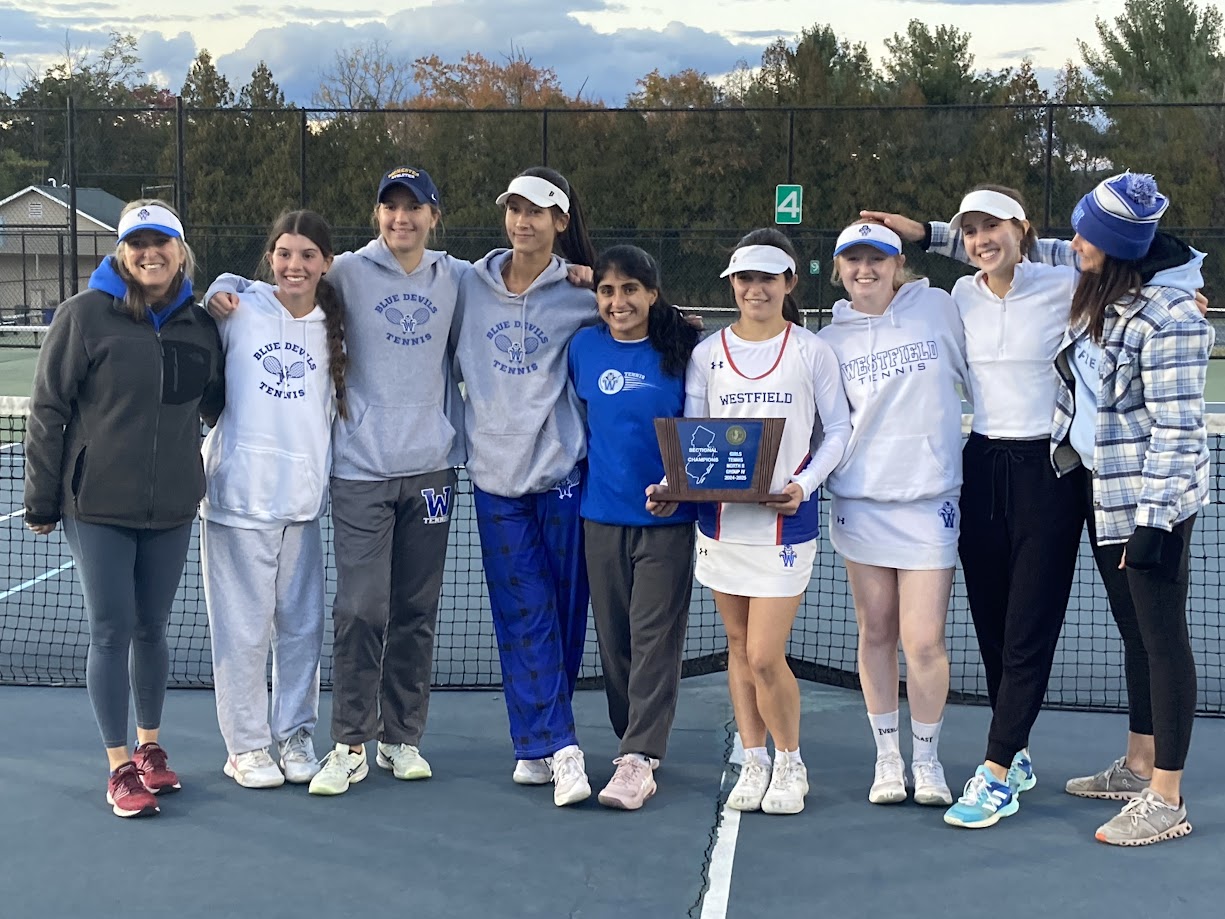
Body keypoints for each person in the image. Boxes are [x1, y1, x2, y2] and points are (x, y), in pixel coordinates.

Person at [207, 167, 467, 795]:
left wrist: (576, 272)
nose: (401, 218)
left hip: (429, 469)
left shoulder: (459, 277)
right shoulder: (345, 272)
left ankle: (400, 739)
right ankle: (348, 741)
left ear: (434, 216)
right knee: (359, 608)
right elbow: (258, 288)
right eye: (390, 208)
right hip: (354, 475)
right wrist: (220, 284)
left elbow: (514, 274)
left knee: (415, 610)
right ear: (376, 216)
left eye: (414, 208)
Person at [862, 188, 1087, 828]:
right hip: (981, 465)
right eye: (970, 233)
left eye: (994, 228)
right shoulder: (961, 296)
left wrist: (1183, 295)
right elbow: (932, 268)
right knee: (990, 620)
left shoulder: (1063, 279)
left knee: (1028, 626)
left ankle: (995, 771)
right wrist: (922, 232)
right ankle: (1013, 749)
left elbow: (1133, 262)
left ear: (1023, 229)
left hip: (1050, 470)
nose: (981, 241)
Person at [23, 200, 223, 818]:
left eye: (161, 242)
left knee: (153, 629)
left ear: (180, 252)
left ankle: (151, 748)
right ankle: (118, 767)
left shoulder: (199, 324)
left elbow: (217, 404)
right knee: (111, 630)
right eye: (137, 243)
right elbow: (48, 410)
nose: (149, 253)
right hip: (98, 506)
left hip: (171, 508)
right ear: (122, 252)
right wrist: (43, 497)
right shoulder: (83, 317)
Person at [669, 228, 851, 815]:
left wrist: (802, 485)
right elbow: (696, 436)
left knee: (767, 654)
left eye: (767, 278)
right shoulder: (707, 355)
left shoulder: (811, 351)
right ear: (732, 284)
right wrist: (678, 483)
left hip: (784, 525)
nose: (755, 289)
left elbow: (839, 432)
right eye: (744, 278)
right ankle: (754, 759)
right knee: (738, 645)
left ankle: (791, 761)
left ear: (788, 283)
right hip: (722, 526)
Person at [1052, 173, 1209, 846]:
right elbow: (1025, 247)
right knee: (1131, 629)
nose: (1074, 241)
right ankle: (1137, 762)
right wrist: (931, 235)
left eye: (1086, 233)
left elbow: (1178, 430)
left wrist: (1153, 522)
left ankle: (1165, 795)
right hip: (1100, 487)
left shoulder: (1171, 319)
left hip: (1152, 504)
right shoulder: (1099, 286)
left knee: (1162, 634)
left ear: (1114, 245)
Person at [454, 166, 600, 807]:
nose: (523, 221)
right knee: (523, 614)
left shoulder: (580, 293)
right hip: (495, 481)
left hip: (563, 475)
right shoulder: (467, 285)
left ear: (560, 223)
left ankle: (537, 742)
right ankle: (560, 747)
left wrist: (598, 280)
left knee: (563, 618)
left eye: (537, 211)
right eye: (514, 209)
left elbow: (651, 309)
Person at [816, 220, 967, 808]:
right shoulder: (830, 342)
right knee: (875, 632)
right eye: (852, 260)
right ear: (838, 271)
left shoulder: (938, 309)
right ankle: (888, 759)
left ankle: (927, 762)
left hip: (931, 501)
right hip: (862, 504)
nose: (865, 269)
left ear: (898, 265)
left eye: (877, 258)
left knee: (923, 640)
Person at [200, 210, 346, 789]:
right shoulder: (242, 308)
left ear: (326, 265)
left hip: (302, 508)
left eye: (307, 255)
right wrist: (220, 289)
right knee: (242, 632)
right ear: (271, 259)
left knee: (301, 627)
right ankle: (246, 745)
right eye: (284, 253)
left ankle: (293, 733)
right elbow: (217, 290)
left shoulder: (336, 325)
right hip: (238, 502)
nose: (294, 265)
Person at [567, 245, 700, 810]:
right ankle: (632, 742)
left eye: (629, 290)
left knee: (653, 638)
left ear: (652, 294)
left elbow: (709, 428)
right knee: (615, 640)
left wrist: (682, 486)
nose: (617, 302)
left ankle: (641, 755)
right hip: (600, 519)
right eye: (606, 291)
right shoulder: (583, 348)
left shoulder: (686, 350)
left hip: (667, 521)